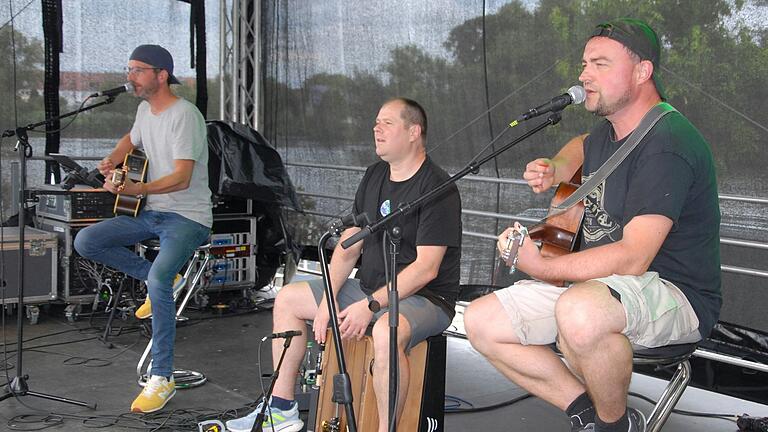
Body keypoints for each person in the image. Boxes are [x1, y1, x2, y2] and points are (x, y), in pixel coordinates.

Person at [464, 18, 721, 432]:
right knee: (481, 321)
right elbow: (579, 147)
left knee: (579, 312)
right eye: (584, 64)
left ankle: (612, 425)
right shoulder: (605, 135)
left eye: (600, 64)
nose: (584, 75)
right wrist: (557, 168)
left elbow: (634, 258)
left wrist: (543, 266)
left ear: (642, 72)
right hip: (599, 290)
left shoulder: (669, 143)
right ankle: (589, 413)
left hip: (675, 294)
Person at [226, 98, 462, 432]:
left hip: (426, 298)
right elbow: (349, 246)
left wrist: (370, 305)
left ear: (414, 132)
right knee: (288, 299)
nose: (376, 129)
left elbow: (427, 268)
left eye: (387, 123)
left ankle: (385, 429)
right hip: (370, 288)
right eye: (375, 122)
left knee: (385, 331)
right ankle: (282, 410)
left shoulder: (438, 187)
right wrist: (327, 299)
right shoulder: (375, 175)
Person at [74, 44, 211, 413]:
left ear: (161, 75)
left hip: (188, 217)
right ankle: (162, 278)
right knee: (87, 240)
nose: (129, 77)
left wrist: (138, 188)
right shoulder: (143, 110)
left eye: (137, 70)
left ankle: (162, 377)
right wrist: (110, 161)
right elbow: (129, 141)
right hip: (151, 213)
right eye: (129, 69)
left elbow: (182, 178)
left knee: (159, 281)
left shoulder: (186, 115)